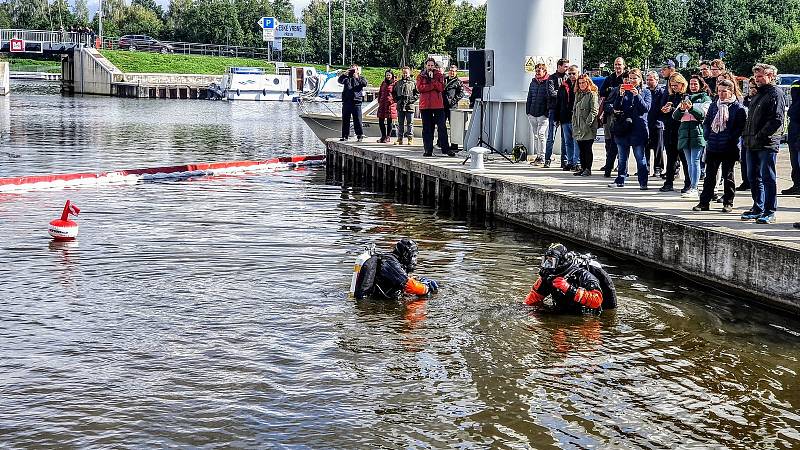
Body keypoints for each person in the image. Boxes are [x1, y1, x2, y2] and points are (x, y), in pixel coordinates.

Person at [741, 63, 786, 224]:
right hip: (751, 141)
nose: (758, 79)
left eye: (761, 76)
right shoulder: (758, 94)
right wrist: (747, 136)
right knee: (753, 176)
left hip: (766, 143)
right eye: (756, 76)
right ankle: (758, 207)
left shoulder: (776, 93)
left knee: (767, 177)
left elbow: (777, 119)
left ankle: (769, 210)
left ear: (771, 76)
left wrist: (760, 135)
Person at [694, 79, 747, 212]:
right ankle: (704, 202)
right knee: (709, 176)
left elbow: (740, 127)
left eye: (724, 91)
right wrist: (708, 135)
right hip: (713, 145)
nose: (721, 94)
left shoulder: (737, 108)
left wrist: (730, 138)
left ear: (731, 91)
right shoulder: (714, 105)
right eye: (719, 91)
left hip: (729, 146)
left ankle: (728, 202)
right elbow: (706, 122)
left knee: (728, 175)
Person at [523, 243, 617, 315]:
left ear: (561, 261)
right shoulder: (549, 277)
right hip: (560, 316)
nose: (547, 265)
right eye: (546, 260)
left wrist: (569, 289)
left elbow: (597, 301)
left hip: (586, 317)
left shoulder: (583, 275)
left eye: (551, 261)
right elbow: (532, 299)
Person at [607, 68, 651, 189]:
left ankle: (643, 182)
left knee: (640, 158)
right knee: (622, 158)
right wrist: (620, 96)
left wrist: (637, 95)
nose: (632, 81)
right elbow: (616, 107)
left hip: (638, 129)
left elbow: (645, 109)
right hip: (623, 128)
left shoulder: (646, 92)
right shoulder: (624, 91)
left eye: (634, 78)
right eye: (630, 78)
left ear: (640, 79)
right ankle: (620, 180)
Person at [353, 239, 439, 300]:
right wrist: (426, 287)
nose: (415, 260)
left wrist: (418, 281)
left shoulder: (392, 261)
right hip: (372, 305)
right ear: (405, 254)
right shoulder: (390, 262)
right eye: (414, 256)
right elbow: (410, 286)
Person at [672, 75, 711, 198]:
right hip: (684, 132)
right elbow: (675, 116)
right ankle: (691, 186)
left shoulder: (705, 98)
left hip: (697, 132)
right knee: (689, 162)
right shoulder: (686, 97)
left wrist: (692, 108)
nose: (693, 86)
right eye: (691, 84)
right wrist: (682, 110)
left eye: (695, 84)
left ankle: (695, 187)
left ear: (700, 85)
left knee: (695, 161)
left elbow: (703, 115)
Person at [417, 58, 453, 157]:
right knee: (427, 129)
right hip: (425, 106)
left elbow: (441, 88)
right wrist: (432, 86)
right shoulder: (420, 76)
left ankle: (446, 149)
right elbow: (420, 89)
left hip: (438, 105)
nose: (430, 67)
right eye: (428, 65)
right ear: (426, 66)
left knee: (442, 127)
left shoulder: (439, 75)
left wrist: (431, 81)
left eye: (432, 65)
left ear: (434, 66)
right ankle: (428, 150)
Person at [599, 57, 628, 177]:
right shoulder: (609, 78)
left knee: (621, 141)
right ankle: (609, 163)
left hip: (621, 114)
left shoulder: (627, 77)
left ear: (624, 66)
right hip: (609, 113)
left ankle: (621, 165)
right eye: (616, 64)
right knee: (608, 140)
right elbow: (602, 93)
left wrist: (611, 91)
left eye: (619, 64)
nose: (617, 67)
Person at [572, 74, 600, 176]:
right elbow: (575, 111)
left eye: (583, 82)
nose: (581, 85)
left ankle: (588, 168)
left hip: (588, 127)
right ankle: (583, 168)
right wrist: (575, 124)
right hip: (578, 126)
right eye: (579, 83)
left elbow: (594, 111)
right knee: (581, 148)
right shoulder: (578, 94)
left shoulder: (592, 94)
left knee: (587, 148)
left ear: (588, 82)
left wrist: (587, 124)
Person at [547, 58, 571, 168]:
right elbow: (551, 93)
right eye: (565, 66)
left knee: (565, 137)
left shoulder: (568, 78)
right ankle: (547, 159)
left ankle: (564, 161)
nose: (567, 69)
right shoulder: (551, 78)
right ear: (559, 66)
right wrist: (562, 94)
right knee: (551, 137)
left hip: (564, 110)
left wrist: (562, 94)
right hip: (553, 110)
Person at [556, 65, 580, 172]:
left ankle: (577, 162)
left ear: (578, 73)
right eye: (569, 73)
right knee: (567, 142)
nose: (571, 76)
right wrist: (557, 117)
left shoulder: (581, 85)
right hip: (565, 118)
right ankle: (570, 162)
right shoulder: (563, 85)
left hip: (576, 119)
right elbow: (559, 102)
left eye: (574, 73)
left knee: (576, 142)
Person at [736, 76, 758, 191]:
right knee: (744, 160)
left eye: (753, 87)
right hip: (746, 134)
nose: (751, 90)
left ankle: (753, 182)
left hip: (757, 135)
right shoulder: (747, 99)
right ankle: (746, 181)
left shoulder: (760, 99)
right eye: (749, 88)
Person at [526, 63, 551, 166]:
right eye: (536, 71)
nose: (537, 72)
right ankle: (538, 156)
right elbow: (529, 97)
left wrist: (546, 112)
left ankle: (543, 156)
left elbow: (550, 98)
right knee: (536, 136)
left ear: (544, 71)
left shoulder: (548, 82)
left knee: (541, 134)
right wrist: (528, 111)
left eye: (539, 71)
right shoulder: (533, 83)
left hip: (543, 114)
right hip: (532, 113)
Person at [338, 64, 368, 142]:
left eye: (354, 70)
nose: (353, 71)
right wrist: (344, 74)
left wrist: (357, 77)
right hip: (347, 101)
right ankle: (345, 136)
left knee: (357, 119)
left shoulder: (361, 78)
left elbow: (364, 83)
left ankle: (359, 135)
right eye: (351, 69)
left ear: (357, 70)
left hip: (356, 101)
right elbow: (339, 81)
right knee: (345, 119)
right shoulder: (346, 78)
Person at [645, 70, 666, 177]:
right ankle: (646, 167)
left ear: (657, 80)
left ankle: (658, 168)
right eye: (647, 80)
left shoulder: (661, 92)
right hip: (646, 123)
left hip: (658, 123)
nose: (648, 82)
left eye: (651, 80)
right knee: (646, 147)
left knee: (658, 148)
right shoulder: (645, 91)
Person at [782, 78, 800, 195]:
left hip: (797, 131)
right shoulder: (796, 84)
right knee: (794, 160)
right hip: (794, 131)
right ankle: (797, 184)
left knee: (797, 160)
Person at [393, 66, 418, 146]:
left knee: (410, 123)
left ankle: (410, 138)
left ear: (409, 73)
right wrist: (397, 100)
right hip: (400, 106)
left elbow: (417, 93)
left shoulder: (413, 83)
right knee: (400, 123)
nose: (405, 74)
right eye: (403, 73)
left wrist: (412, 100)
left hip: (409, 106)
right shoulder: (398, 83)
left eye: (406, 73)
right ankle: (399, 139)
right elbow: (394, 92)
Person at [442, 65, 465, 150]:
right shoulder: (444, 80)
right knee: (442, 126)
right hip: (443, 106)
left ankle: (454, 145)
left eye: (453, 71)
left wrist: (453, 101)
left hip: (452, 107)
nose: (452, 72)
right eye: (450, 71)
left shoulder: (458, 82)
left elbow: (461, 94)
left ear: (456, 72)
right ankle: (442, 143)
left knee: (454, 127)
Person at [376, 69, 398, 144]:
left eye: (389, 75)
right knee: (380, 120)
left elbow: (396, 94)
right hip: (382, 103)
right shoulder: (383, 83)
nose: (388, 76)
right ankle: (383, 136)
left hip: (390, 104)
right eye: (387, 75)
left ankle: (388, 137)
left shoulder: (395, 83)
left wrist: (392, 101)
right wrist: (379, 100)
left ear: (392, 75)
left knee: (389, 121)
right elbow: (380, 92)